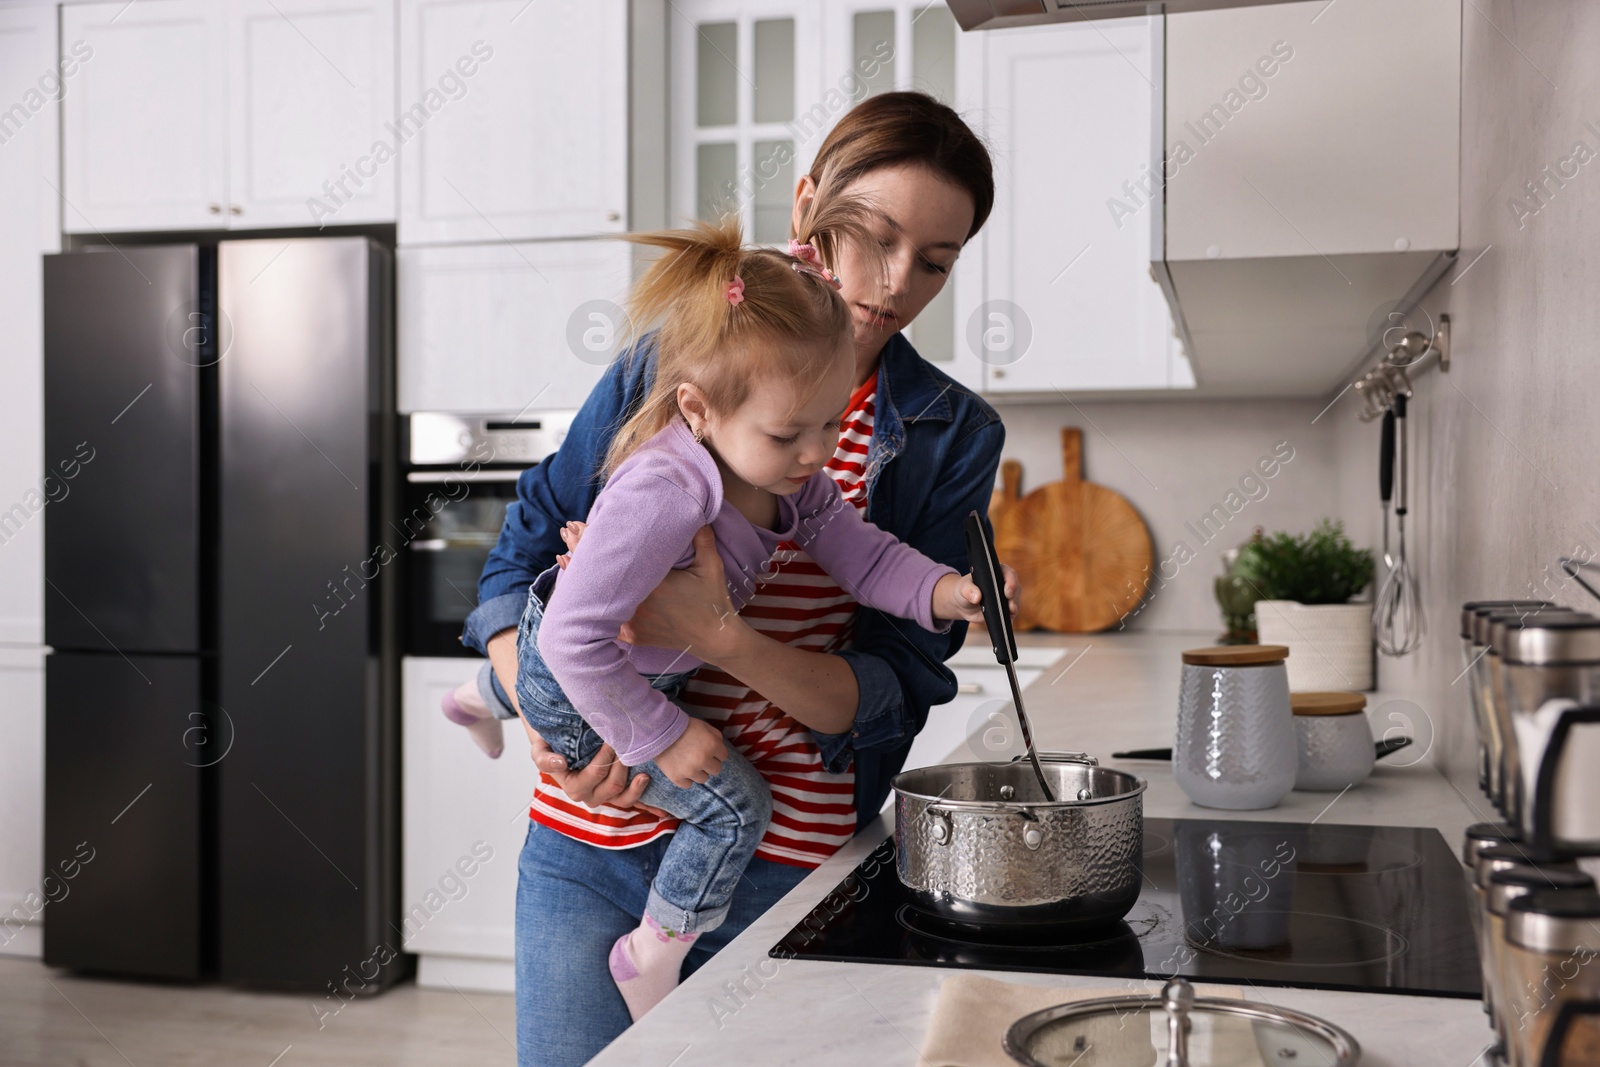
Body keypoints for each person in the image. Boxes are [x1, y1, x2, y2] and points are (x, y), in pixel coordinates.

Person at [458, 91, 1009, 1066]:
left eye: (934, 261)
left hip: (785, 864)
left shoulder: (951, 433)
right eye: (872, 237)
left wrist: (719, 635)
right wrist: (549, 712)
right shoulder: (678, 357)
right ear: (807, 206)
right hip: (589, 842)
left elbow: (889, 690)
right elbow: (525, 553)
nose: (891, 283)